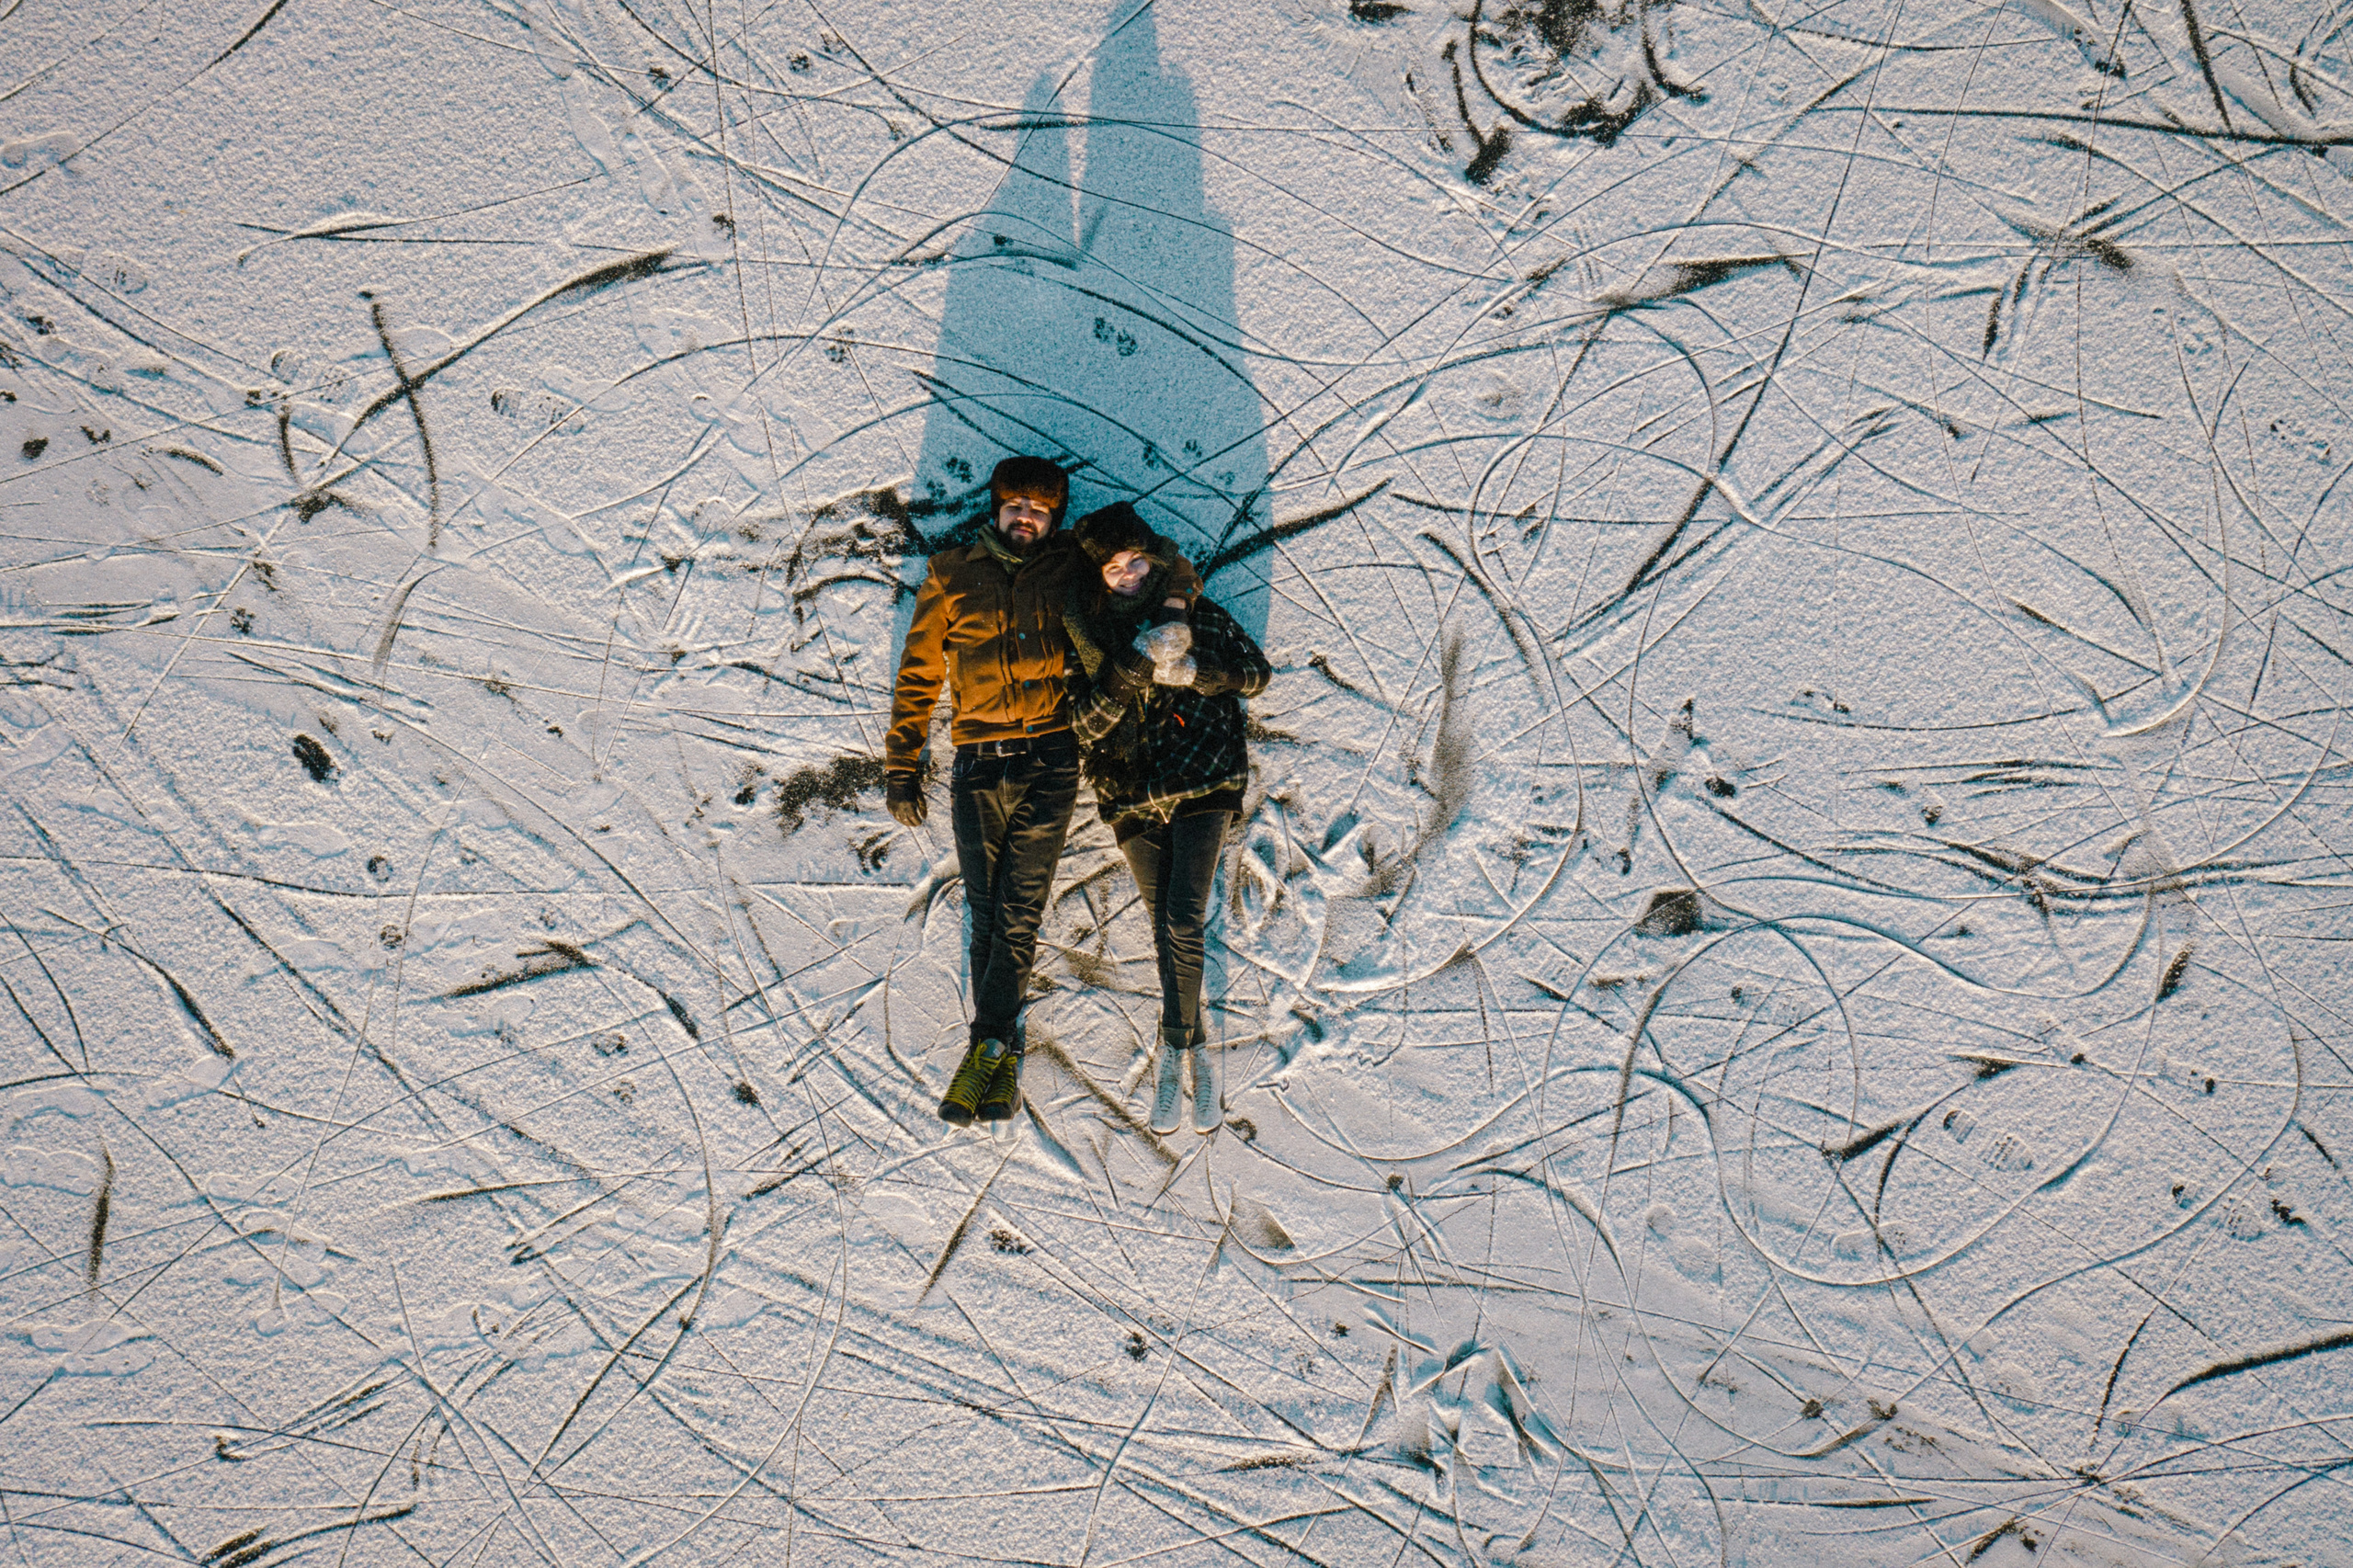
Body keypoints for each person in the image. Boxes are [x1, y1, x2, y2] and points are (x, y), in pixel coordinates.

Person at [884, 459, 1197, 1127]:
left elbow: (1168, 562)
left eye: (1041, 511)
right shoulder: (950, 574)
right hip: (974, 762)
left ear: (1053, 519)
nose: (1027, 518)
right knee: (986, 914)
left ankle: (988, 1046)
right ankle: (998, 1066)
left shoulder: (1070, 566)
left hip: (1049, 759)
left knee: (1019, 911)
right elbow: (917, 675)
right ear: (997, 508)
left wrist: (1171, 606)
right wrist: (901, 764)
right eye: (1017, 506)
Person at [1063, 504, 1271, 1134]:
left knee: (1182, 917)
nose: (1127, 575)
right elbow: (1085, 727)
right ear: (1098, 576)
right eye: (1112, 567)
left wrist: (1201, 675)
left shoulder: (1199, 613)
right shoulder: (1087, 633)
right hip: (1129, 795)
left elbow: (1257, 675)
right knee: (1167, 929)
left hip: (1204, 780)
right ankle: (1195, 1048)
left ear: (1153, 557)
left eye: (1136, 560)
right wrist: (1130, 666)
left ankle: (1176, 1051)